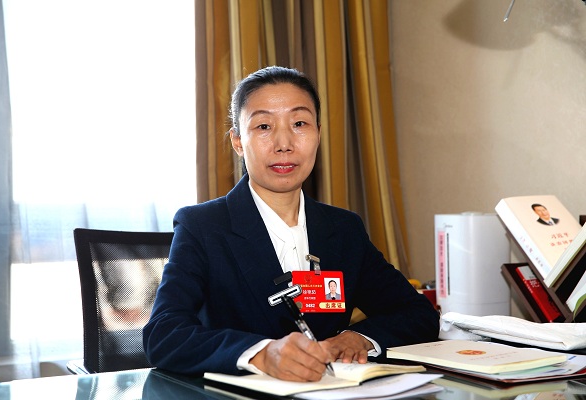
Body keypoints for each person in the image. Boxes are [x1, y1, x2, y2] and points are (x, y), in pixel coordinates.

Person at [143, 66, 440, 382]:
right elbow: (164, 334)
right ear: (238, 141)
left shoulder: (343, 229)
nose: (283, 143)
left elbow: (417, 314)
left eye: (299, 124)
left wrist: (359, 338)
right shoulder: (203, 226)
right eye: (264, 126)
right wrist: (260, 353)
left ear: (318, 134)